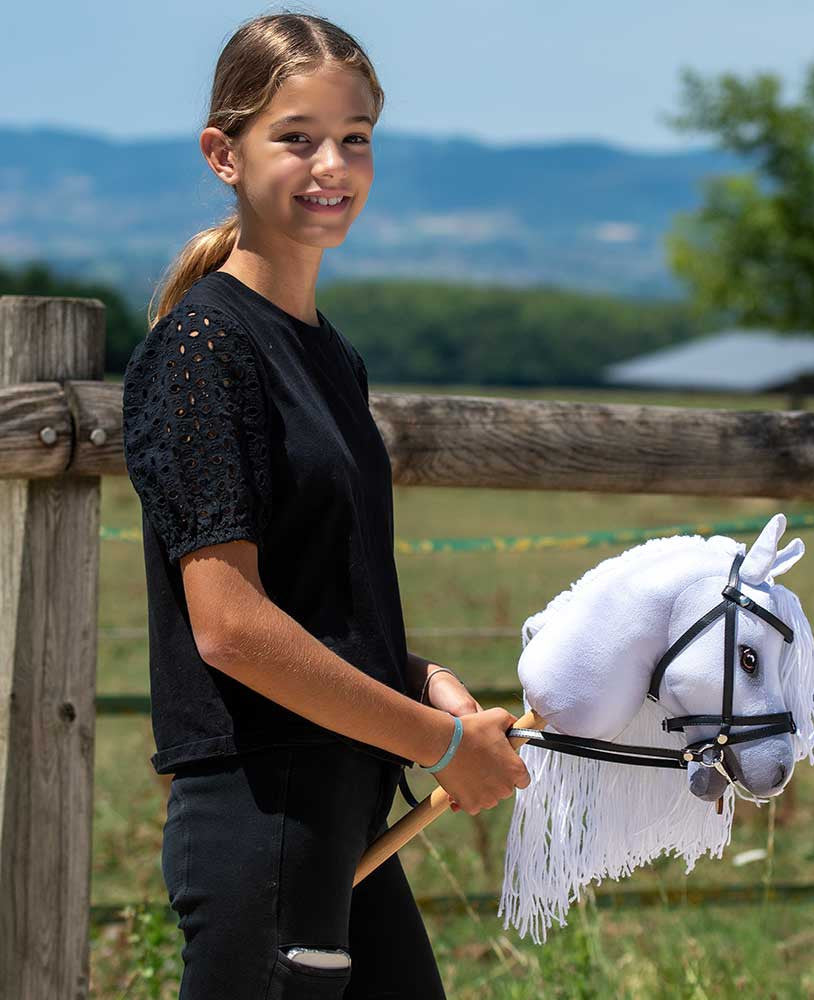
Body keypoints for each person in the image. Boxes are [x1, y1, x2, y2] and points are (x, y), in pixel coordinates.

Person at [121, 12, 530, 998]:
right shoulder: (202, 348)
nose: (331, 166)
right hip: (264, 816)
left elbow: (316, 600)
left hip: (343, 808)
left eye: (355, 137)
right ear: (224, 153)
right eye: (296, 137)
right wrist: (440, 746)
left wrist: (423, 681)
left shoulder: (329, 356)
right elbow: (230, 627)